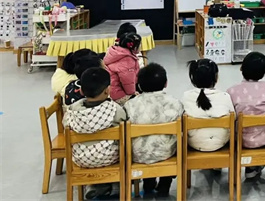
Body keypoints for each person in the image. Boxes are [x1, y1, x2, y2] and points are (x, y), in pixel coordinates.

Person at [63, 68, 127, 199]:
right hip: (110, 158)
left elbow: (65, 124)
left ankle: (95, 185)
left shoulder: (73, 111)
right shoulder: (115, 110)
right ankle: (115, 184)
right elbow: (124, 125)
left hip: (82, 159)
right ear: (107, 90)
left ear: (81, 91)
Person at [124, 63, 183, 197]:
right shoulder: (175, 103)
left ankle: (148, 181)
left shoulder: (130, 105)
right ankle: (165, 182)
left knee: (145, 142)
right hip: (167, 153)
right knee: (173, 140)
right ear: (166, 83)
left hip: (139, 154)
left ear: (139, 85)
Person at [227, 52, 265, 179]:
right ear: (264, 73)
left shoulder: (232, 91)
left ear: (241, 68)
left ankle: (251, 166)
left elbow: (230, 116)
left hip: (243, 140)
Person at [183, 59, 235, 152]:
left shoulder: (186, 96)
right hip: (221, 143)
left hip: (194, 143)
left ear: (193, 78)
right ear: (216, 77)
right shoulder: (225, 96)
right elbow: (234, 118)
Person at [104, 32, 142, 105]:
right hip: (117, 94)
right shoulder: (127, 60)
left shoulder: (115, 51)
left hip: (109, 90)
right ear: (134, 47)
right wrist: (132, 93)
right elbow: (127, 81)